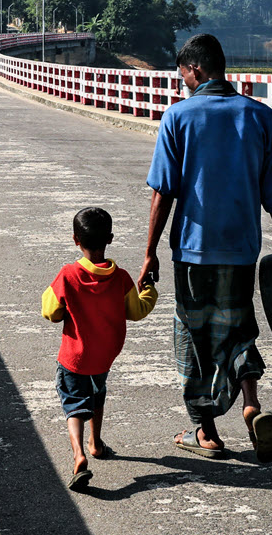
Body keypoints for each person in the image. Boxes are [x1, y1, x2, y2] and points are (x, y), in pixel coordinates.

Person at [139, 33, 272, 463]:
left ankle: (205, 432)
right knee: (239, 328)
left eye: (184, 76)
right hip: (241, 250)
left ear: (196, 69)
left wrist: (150, 251)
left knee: (195, 335)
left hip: (193, 251)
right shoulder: (259, 116)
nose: (184, 84)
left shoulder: (178, 117)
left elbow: (162, 192)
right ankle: (251, 405)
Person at [43, 207, 158, 491]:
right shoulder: (121, 278)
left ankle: (79, 454)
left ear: (75, 240)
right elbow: (137, 311)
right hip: (104, 356)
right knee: (97, 394)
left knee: (74, 405)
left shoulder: (68, 275)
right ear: (110, 238)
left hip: (74, 357)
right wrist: (149, 290)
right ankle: (96, 443)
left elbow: (50, 312)